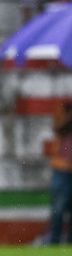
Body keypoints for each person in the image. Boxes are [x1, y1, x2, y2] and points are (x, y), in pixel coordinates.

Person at [47, 99, 72, 244]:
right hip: (61, 171)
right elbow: (57, 126)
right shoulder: (62, 129)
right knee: (58, 208)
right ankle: (54, 240)